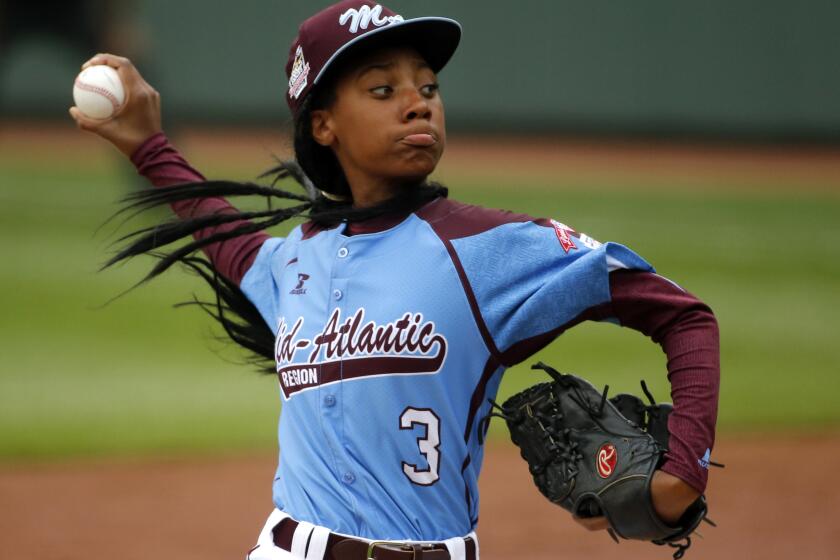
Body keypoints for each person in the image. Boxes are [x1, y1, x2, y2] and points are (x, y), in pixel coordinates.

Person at [69, 2, 720, 559]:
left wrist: (684, 470)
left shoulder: (489, 249)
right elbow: (229, 241)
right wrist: (147, 147)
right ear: (324, 124)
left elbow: (683, 316)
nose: (417, 104)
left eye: (428, 88)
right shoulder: (297, 260)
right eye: (383, 90)